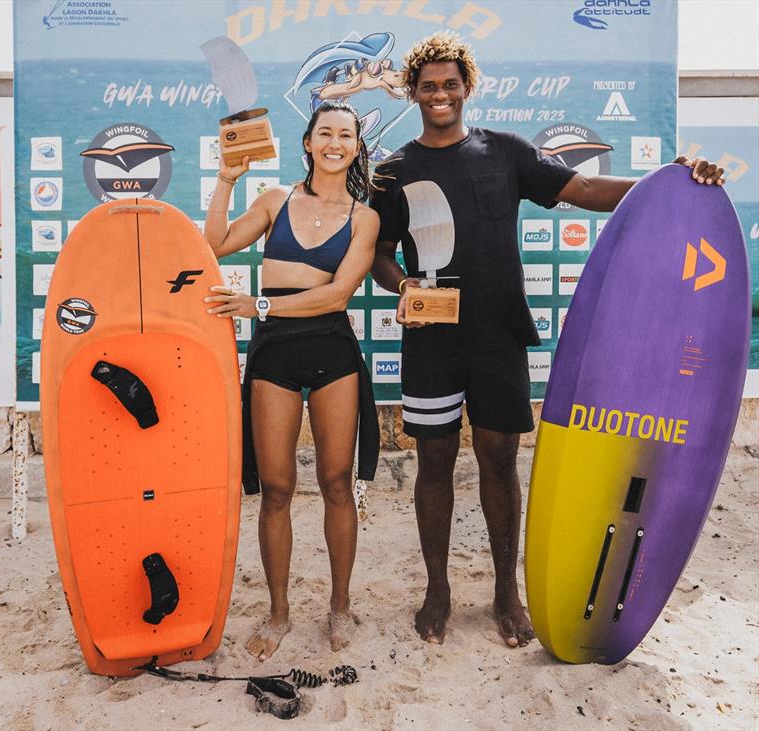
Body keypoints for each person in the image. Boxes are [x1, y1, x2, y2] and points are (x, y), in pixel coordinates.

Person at [369, 32, 725, 649]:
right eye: (428, 87)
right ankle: (438, 591)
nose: (440, 95)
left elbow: (584, 192)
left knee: (500, 460)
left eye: (450, 84)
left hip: (499, 336)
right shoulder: (394, 170)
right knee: (432, 462)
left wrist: (671, 182)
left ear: (466, 88)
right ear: (413, 93)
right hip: (431, 341)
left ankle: (507, 594)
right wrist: (403, 288)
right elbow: (376, 254)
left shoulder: (505, 152)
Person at [203, 100, 381, 659]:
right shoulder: (275, 200)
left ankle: (341, 606)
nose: (334, 142)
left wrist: (258, 305)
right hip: (275, 353)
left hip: (331, 347)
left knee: (335, 482)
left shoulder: (365, 217)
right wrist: (227, 181)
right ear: (307, 142)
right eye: (324, 132)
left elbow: (336, 295)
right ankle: (278, 612)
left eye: (345, 135)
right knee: (276, 489)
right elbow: (214, 244)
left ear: (356, 146)